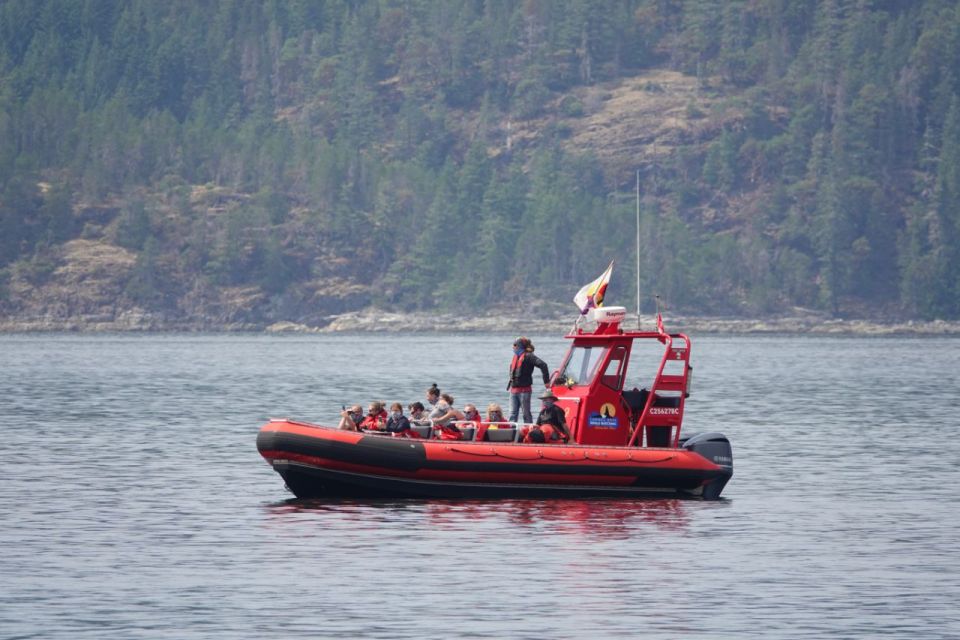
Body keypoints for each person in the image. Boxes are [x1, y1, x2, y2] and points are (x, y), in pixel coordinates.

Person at [507, 336, 550, 425]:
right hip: (513, 390)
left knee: (526, 414)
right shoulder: (515, 357)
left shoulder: (529, 356)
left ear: (520, 346)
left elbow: (543, 365)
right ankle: (511, 433)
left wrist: (546, 382)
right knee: (512, 414)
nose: (513, 347)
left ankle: (529, 431)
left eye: (515, 345)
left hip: (524, 391)